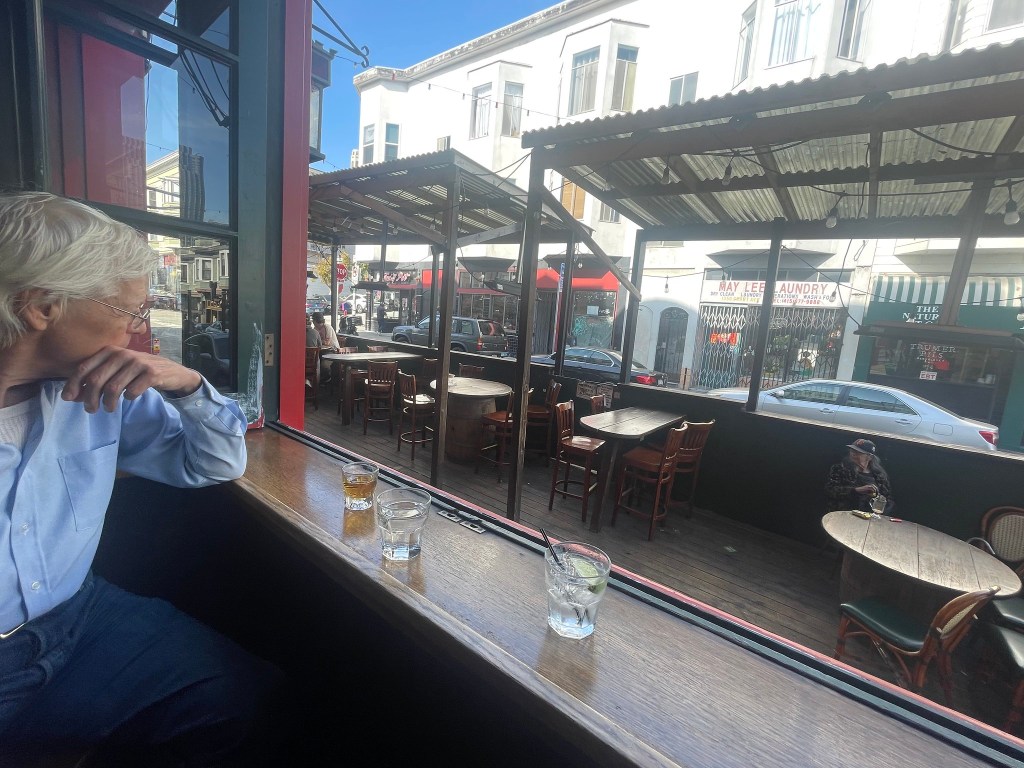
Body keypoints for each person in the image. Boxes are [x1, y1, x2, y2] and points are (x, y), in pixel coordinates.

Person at [0, 191, 291, 766]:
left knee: (251, 693)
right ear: (41, 307)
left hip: (77, 616)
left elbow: (212, 462)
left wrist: (184, 384)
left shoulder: (101, 390)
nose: (138, 332)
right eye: (131, 311)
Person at [825, 438, 894, 515]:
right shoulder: (840, 469)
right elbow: (831, 490)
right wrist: (856, 490)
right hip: (845, 514)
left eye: (858, 452)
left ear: (869, 457)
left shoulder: (879, 475)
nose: (853, 454)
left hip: (870, 517)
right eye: (852, 451)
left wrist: (877, 499)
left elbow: (888, 500)